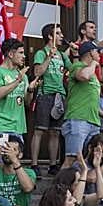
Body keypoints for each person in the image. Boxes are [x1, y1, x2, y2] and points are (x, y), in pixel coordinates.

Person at [0, 37, 34, 151]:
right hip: (0, 127)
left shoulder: (23, 75)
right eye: (21, 53)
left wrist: (30, 90)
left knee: (14, 165)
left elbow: (27, 102)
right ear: (11, 54)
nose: (24, 56)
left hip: (18, 128)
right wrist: (17, 81)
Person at [30, 23, 66, 173]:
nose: (61, 36)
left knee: (55, 132)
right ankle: (34, 164)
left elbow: (73, 68)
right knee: (39, 130)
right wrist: (49, 57)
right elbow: (37, 72)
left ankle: (53, 164)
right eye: (58, 33)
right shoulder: (41, 52)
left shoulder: (63, 55)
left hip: (60, 96)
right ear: (50, 36)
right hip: (45, 95)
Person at [62, 41, 103, 167]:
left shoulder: (93, 75)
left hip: (93, 121)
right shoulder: (77, 66)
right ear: (91, 52)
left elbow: (91, 98)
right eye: (98, 51)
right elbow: (84, 76)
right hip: (78, 119)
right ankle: (58, 186)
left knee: (90, 160)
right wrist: (94, 64)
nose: (100, 55)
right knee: (72, 158)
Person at [0, 138, 36, 206]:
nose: (8, 153)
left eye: (13, 150)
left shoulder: (28, 172)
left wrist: (14, 160)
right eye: (6, 149)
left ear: (20, 155)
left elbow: (28, 188)